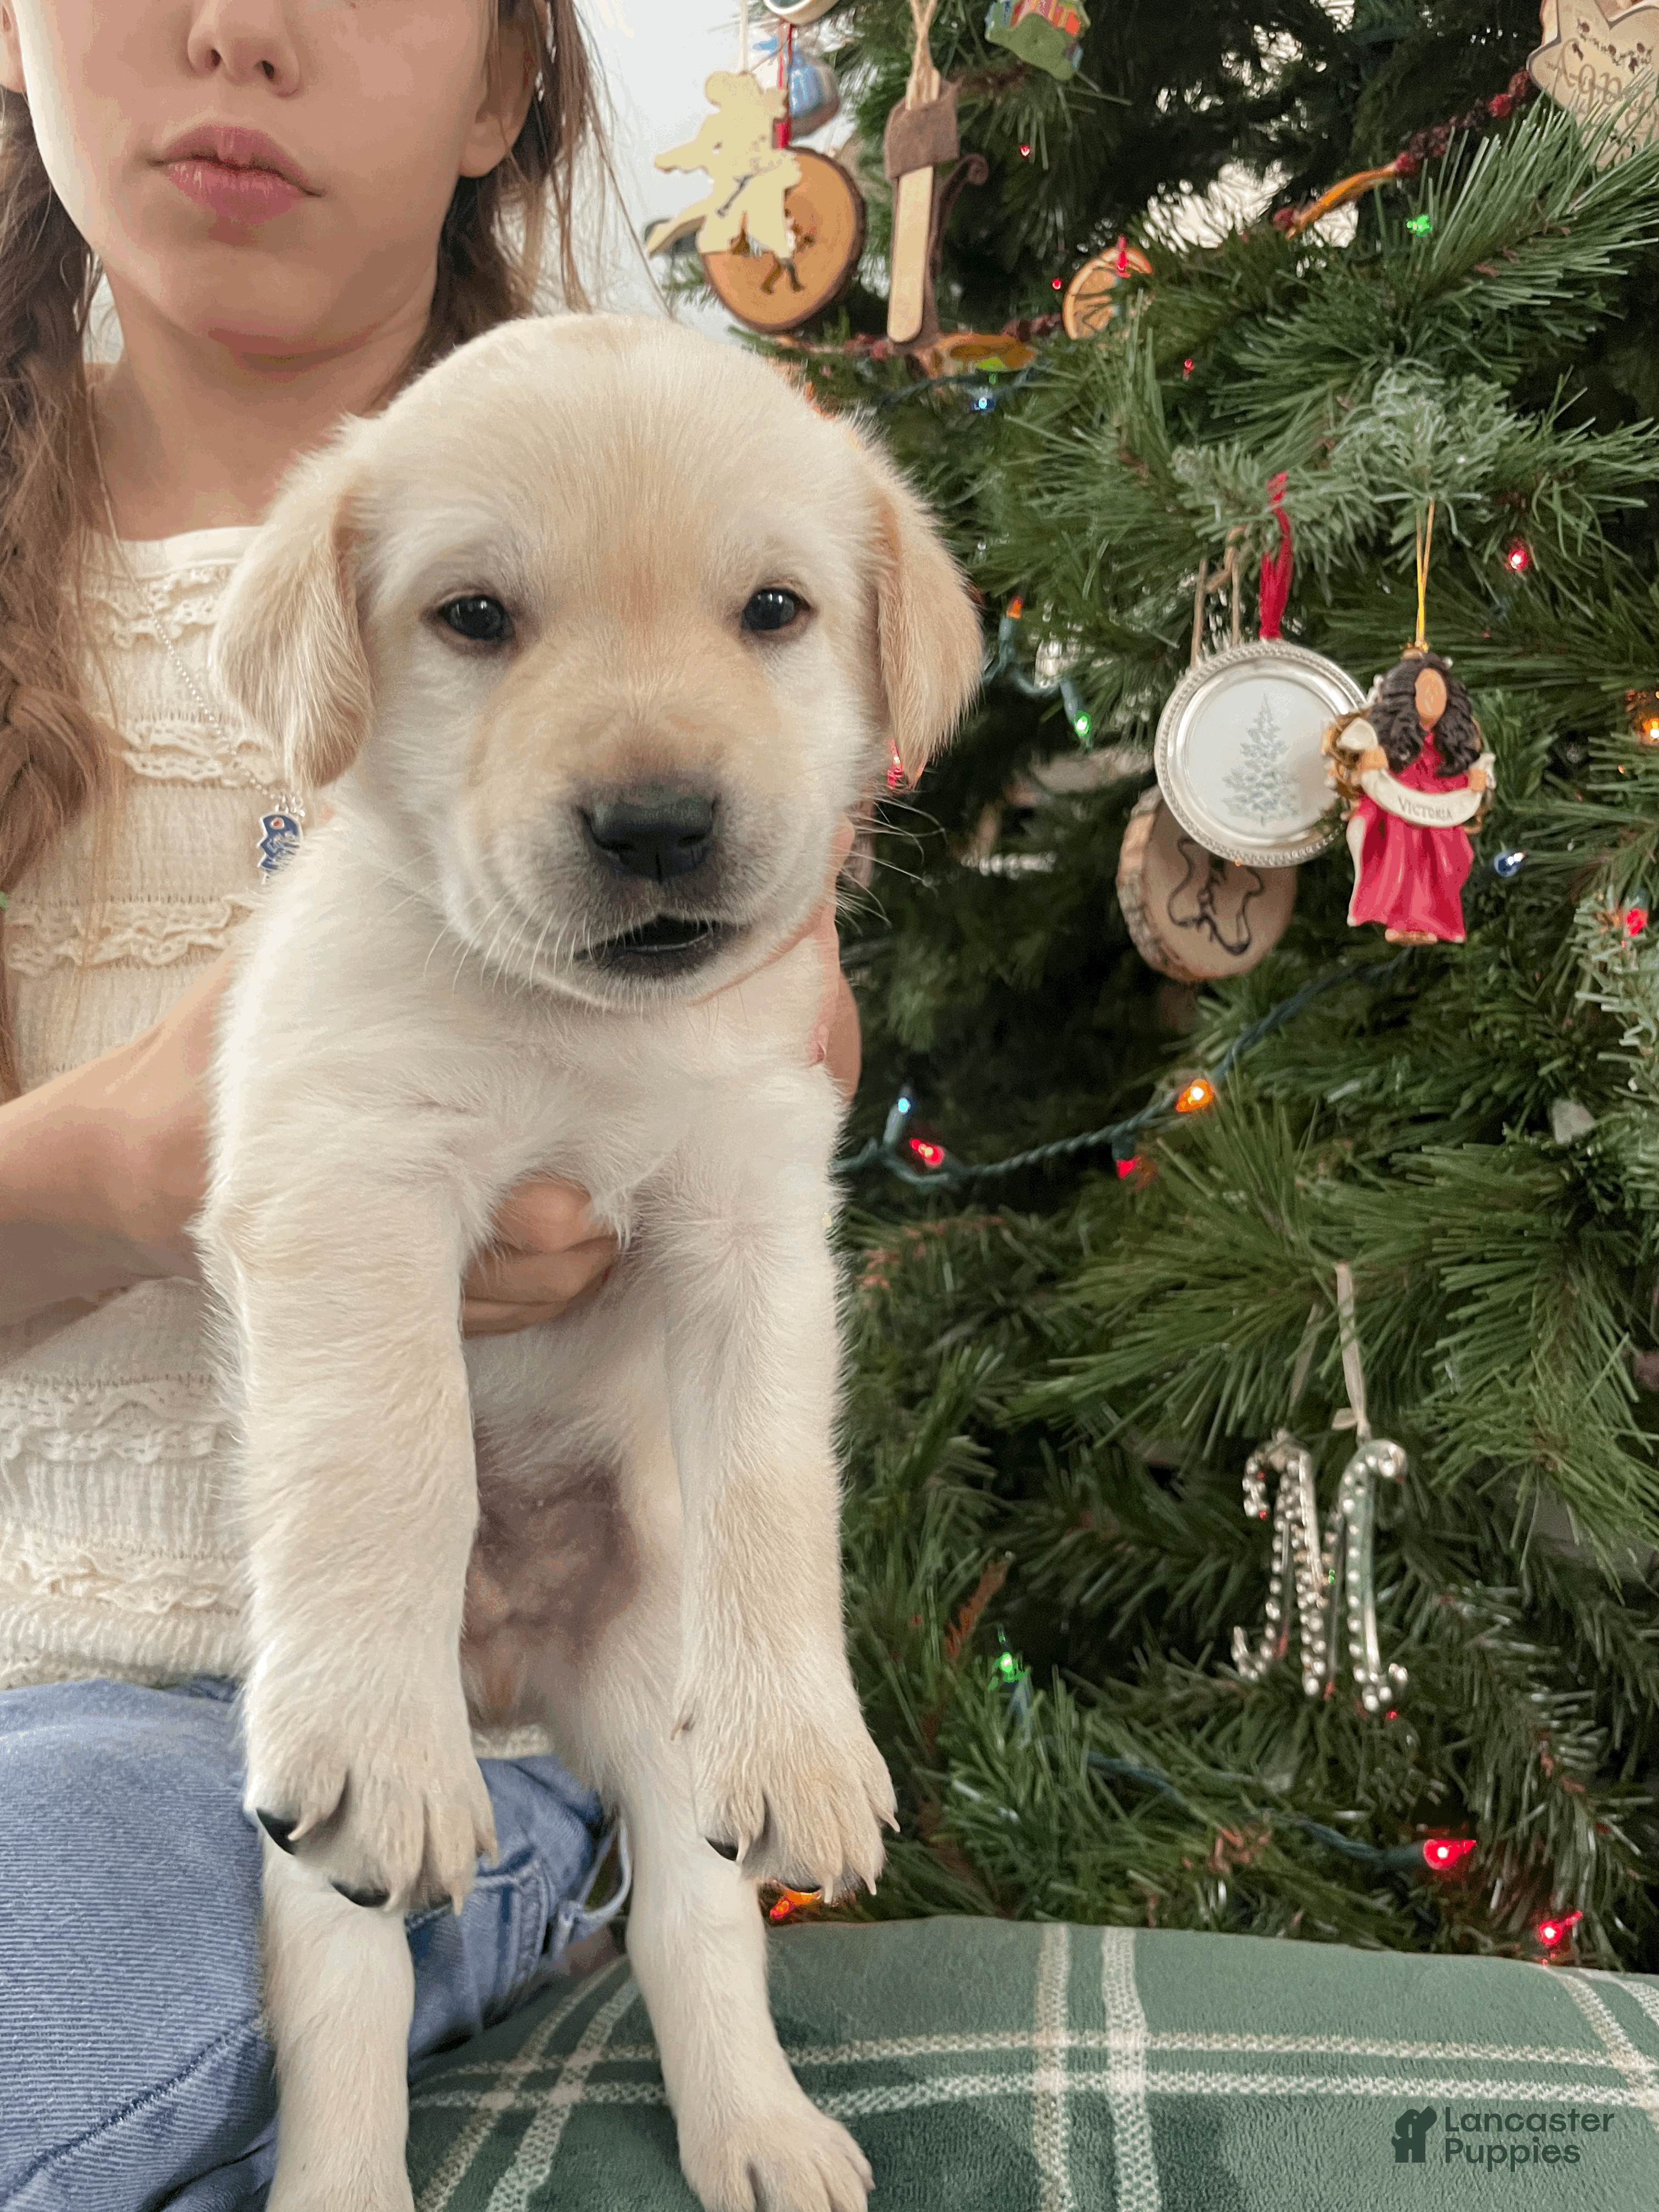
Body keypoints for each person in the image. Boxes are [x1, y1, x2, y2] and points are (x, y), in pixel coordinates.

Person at [0, 4, 862, 2203]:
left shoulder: (683, 485)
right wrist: (96, 1172)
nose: (235, 26)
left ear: (506, 83)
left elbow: (772, 1110)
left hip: (434, 1720)